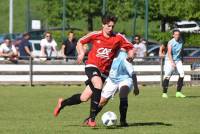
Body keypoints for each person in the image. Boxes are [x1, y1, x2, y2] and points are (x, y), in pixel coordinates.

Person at [54, 14, 135, 127]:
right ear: (103, 24)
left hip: (104, 72)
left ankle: (62, 103)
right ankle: (92, 119)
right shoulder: (95, 35)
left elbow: (130, 47)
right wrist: (82, 53)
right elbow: (80, 42)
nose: (110, 28)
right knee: (98, 84)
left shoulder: (118, 37)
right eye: (108, 26)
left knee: (84, 97)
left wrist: (130, 56)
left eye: (112, 26)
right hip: (92, 65)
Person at [93, 49, 139, 127]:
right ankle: (91, 119)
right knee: (102, 101)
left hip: (125, 79)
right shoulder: (107, 56)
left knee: (123, 94)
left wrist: (136, 87)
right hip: (112, 80)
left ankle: (123, 121)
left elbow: (133, 74)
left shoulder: (124, 57)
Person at [162, 30, 186, 98]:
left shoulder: (181, 41)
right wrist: (172, 62)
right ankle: (164, 93)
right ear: (173, 35)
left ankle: (178, 92)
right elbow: (169, 53)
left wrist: (182, 59)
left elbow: (181, 51)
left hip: (178, 60)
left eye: (178, 34)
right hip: (169, 60)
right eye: (175, 34)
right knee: (167, 76)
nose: (177, 36)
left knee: (182, 74)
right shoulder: (171, 42)